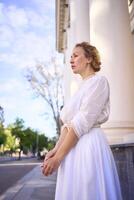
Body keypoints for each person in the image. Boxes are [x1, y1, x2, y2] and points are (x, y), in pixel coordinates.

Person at [42, 42, 122, 200]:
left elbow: (81, 122)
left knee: (88, 190)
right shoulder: (79, 89)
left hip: (88, 147)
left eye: (76, 55)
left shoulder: (99, 82)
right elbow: (68, 125)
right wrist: (56, 150)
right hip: (70, 150)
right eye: (70, 56)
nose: (71, 59)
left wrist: (58, 158)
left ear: (89, 59)